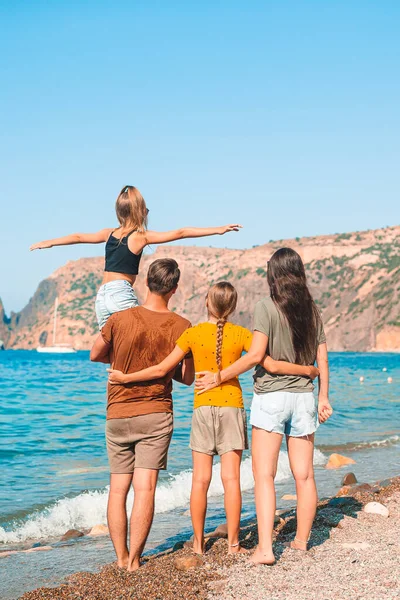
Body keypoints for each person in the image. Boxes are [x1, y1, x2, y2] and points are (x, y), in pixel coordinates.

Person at [107, 281, 320, 556]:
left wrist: (125, 377)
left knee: (200, 480)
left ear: (207, 303)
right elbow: (269, 364)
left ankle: (197, 545)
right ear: (232, 308)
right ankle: (234, 545)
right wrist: (307, 370)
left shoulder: (192, 334)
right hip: (233, 408)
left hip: (202, 410)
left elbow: (161, 368)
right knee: (231, 480)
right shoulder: (242, 334)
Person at [195, 248, 333, 565]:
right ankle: (300, 542)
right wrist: (324, 396)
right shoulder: (313, 310)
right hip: (303, 398)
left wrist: (220, 376)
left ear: (274, 274)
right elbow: (322, 359)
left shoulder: (266, 307)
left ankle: (266, 550)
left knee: (264, 476)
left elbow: (257, 356)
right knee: (305, 476)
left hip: (271, 398)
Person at [90, 258, 194, 571]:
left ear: (146, 283)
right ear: (174, 289)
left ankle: (120, 558)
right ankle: (134, 560)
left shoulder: (119, 318)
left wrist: (123, 357)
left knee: (118, 488)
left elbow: (95, 354)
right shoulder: (182, 326)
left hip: (118, 413)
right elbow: (187, 378)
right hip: (156, 413)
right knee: (145, 488)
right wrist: (162, 369)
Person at [30, 185, 242, 328]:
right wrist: (218, 229)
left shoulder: (108, 233)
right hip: (120, 293)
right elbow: (180, 232)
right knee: (143, 334)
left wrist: (48, 242)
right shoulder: (140, 237)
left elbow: (78, 236)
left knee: (115, 351)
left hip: (101, 297)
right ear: (140, 212)